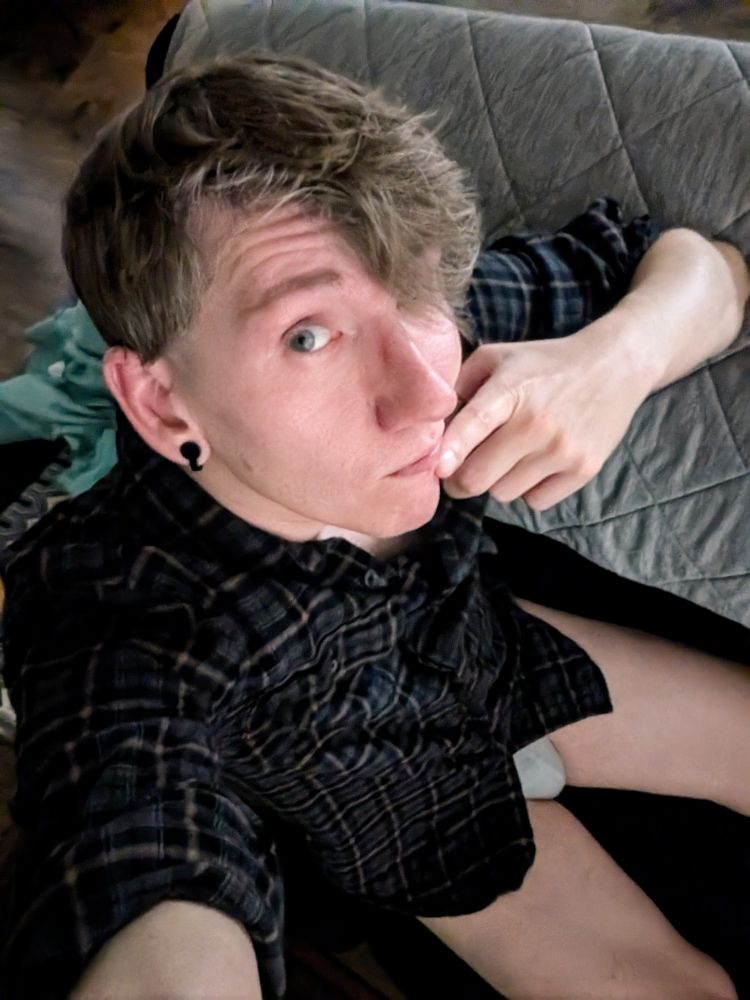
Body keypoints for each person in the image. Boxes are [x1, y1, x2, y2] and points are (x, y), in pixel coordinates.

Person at [0, 54, 748, 1000]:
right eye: (307, 336)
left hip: (485, 646)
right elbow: (131, 842)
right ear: (159, 400)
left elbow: (708, 268)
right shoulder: (118, 619)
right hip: (378, 792)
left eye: (414, 291)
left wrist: (613, 360)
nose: (426, 395)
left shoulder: (439, 342)